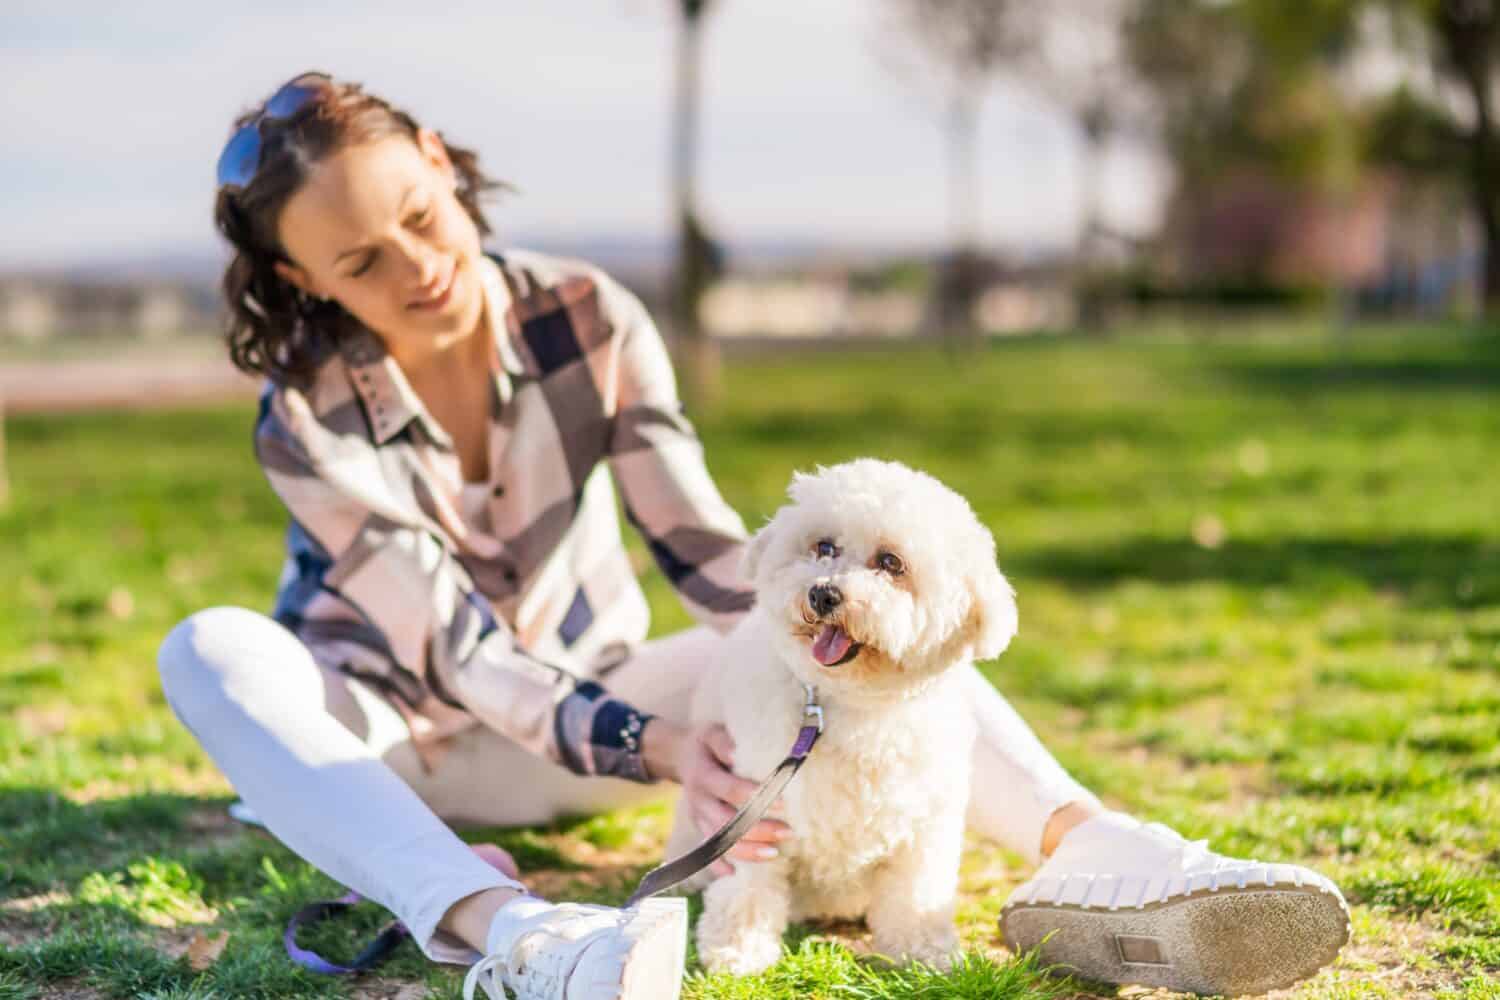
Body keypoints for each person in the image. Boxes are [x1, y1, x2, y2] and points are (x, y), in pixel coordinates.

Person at [158, 72, 1349, 1000]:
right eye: (362, 262)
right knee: (210, 650)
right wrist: (663, 744)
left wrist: (823, 605)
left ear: (437, 162)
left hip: (601, 719)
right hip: (401, 751)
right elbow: (460, 651)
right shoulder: (303, 418)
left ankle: (1103, 853)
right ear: (295, 275)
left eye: (423, 216)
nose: (421, 267)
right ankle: (520, 934)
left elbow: (720, 560)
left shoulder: (587, 314)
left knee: (857, 646)